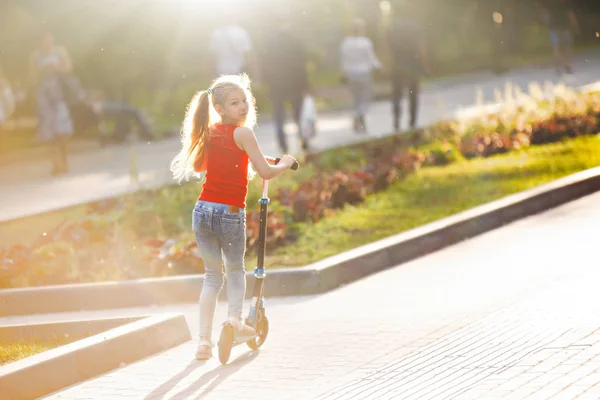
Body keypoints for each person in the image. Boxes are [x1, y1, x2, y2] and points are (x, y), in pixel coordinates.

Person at [170, 74, 297, 360]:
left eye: (244, 101)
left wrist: (262, 161)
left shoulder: (210, 132)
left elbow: (218, 164)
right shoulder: (244, 133)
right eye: (234, 103)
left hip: (202, 211)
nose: (243, 107)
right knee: (236, 270)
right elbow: (265, 171)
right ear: (220, 108)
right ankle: (235, 322)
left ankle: (204, 342)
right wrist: (286, 163)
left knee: (212, 277)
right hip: (229, 212)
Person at [261, 21, 310, 154]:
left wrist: (267, 81)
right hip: (294, 83)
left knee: (279, 115)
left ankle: (282, 144)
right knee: (299, 114)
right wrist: (305, 84)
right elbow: (301, 64)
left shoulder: (270, 44)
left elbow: (265, 64)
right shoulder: (295, 42)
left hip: (276, 84)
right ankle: (303, 140)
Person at [28, 32, 74, 175]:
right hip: (44, 97)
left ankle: (64, 162)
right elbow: (31, 77)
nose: (47, 42)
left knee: (63, 131)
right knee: (49, 132)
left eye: (49, 38)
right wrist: (40, 71)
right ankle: (55, 164)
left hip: (59, 94)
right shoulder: (35, 56)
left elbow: (68, 69)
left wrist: (56, 68)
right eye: (44, 39)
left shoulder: (60, 51)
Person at [387, 3, 430, 132]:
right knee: (413, 94)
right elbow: (421, 47)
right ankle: (412, 122)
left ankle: (396, 122)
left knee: (396, 95)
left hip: (397, 65)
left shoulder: (392, 27)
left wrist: (388, 65)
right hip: (413, 65)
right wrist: (425, 65)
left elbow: (387, 48)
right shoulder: (414, 27)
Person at [340, 18, 381, 133]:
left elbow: (343, 61)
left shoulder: (345, 43)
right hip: (364, 73)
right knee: (365, 98)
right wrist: (379, 67)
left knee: (356, 98)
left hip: (350, 74)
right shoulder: (365, 42)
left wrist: (343, 74)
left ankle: (357, 117)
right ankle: (360, 118)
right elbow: (371, 58)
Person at [544, 0, 580, 74]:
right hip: (562, 28)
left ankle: (559, 67)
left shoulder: (551, 4)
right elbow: (571, 15)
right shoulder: (565, 4)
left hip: (556, 28)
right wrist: (575, 26)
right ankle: (566, 66)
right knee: (565, 48)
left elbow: (546, 15)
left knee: (557, 48)